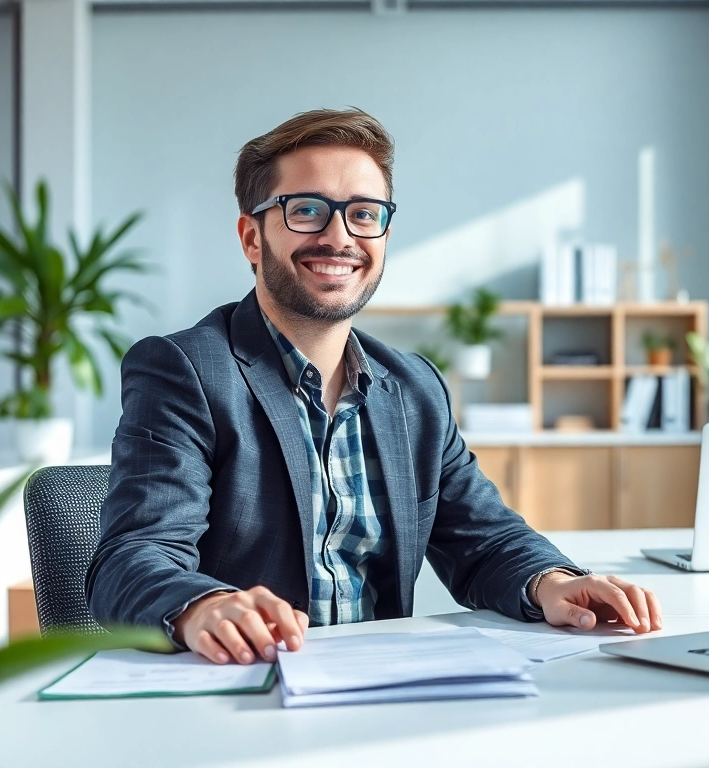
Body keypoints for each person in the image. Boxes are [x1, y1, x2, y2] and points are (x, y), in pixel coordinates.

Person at [86, 108, 662, 665]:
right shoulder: (185, 369)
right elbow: (133, 557)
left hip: (383, 691)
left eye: (364, 213)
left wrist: (552, 581)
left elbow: (485, 538)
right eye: (306, 210)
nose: (339, 237)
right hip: (246, 691)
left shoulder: (414, 389)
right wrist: (203, 607)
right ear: (252, 238)